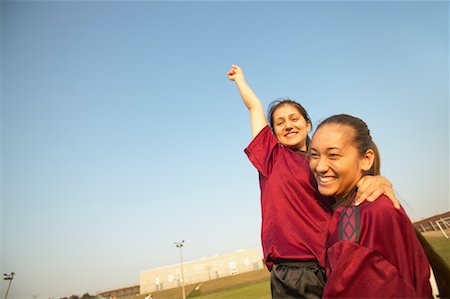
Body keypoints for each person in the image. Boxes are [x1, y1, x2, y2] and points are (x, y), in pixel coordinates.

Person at [227, 65, 398, 299]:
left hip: (337, 261)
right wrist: (240, 80)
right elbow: (254, 106)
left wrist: (379, 181)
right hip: (295, 270)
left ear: (308, 124)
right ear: (274, 133)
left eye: (294, 118)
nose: (288, 125)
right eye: (279, 122)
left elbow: (355, 188)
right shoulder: (272, 158)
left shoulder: (323, 163)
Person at [309, 114, 433, 298]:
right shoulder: (363, 206)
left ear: (366, 159)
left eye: (333, 155)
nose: (320, 166)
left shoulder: (366, 214)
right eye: (314, 155)